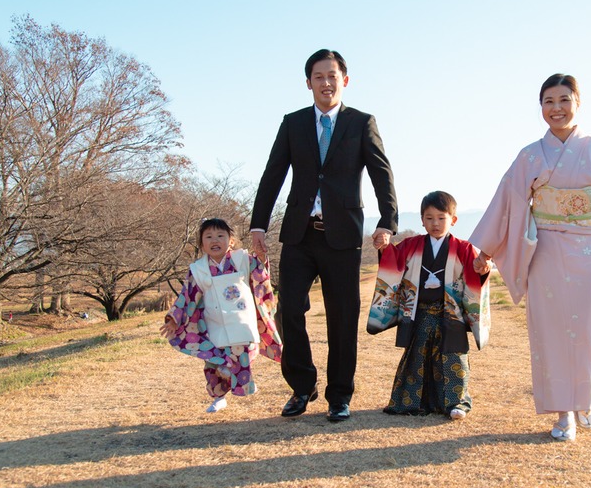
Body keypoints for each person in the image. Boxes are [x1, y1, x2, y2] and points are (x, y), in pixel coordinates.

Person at [470, 74, 591, 442]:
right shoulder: (530, 156)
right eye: (548, 101)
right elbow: (508, 202)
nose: (556, 108)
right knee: (550, 331)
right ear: (541, 108)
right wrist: (486, 249)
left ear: (577, 103)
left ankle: (588, 399)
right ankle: (563, 414)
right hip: (547, 249)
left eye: (564, 99)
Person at [250, 49, 398, 422]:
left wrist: (387, 220)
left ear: (344, 81)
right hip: (299, 235)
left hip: (343, 237)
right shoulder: (293, 123)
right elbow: (273, 174)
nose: (326, 83)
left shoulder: (362, 123)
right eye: (319, 77)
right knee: (289, 310)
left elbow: (382, 173)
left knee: (343, 318)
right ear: (308, 83)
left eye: (332, 76)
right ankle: (302, 387)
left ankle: (339, 396)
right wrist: (258, 225)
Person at [368, 191, 490, 419]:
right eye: (429, 218)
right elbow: (393, 262)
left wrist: (481, 269)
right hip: (420, 311)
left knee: (453, 357)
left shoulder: (463, 248)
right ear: (422, 220)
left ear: (453, 220)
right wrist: (384, 248)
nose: (435, 223)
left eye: (441, 218)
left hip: (450, 313)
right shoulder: (411, 245)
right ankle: (410, 401)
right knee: (416, 357)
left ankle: (456, 402)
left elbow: (476, 272)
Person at [161, 218, 282, 413]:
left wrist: (261, 259)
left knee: (242, 354)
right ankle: (218, 397)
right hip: (214, 321)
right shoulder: (198, 269)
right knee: (213, 361)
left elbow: (261, 274)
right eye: (208, 237)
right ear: (202, 244)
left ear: (231, 241)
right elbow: (187, 295)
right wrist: (174, 318)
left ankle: (244, 384)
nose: (214, 240)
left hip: (242, 319)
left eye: (220, 236)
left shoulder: (242, 259)